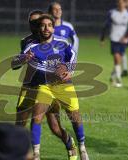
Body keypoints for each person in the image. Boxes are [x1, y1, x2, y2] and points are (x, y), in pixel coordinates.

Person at [20, 14, 89, 160]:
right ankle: (36, 155)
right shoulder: (30, 45)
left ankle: (82, 148)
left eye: (49, 25)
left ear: (53, 28)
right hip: (43, 86)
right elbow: (16, 62)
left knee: (74, 117)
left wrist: (70, 72)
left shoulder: (62, 43)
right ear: (38, 28)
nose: (46, 28)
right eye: (43, 25)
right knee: (36, 118)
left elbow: (73, 56)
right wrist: (22, 59)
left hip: (63, 86)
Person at [100, 0, 128, 87]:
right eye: (119, 3)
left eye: (122, 3)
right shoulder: (112, 13)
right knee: (117, 58)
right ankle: (118, 79)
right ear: (117, 4)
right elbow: (105, 26)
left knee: (118, 61)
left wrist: (127, 37)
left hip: (123, 41)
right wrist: (102, 39)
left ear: (125, 4)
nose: (121, 5)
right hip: (114, 39)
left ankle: (112, 76)